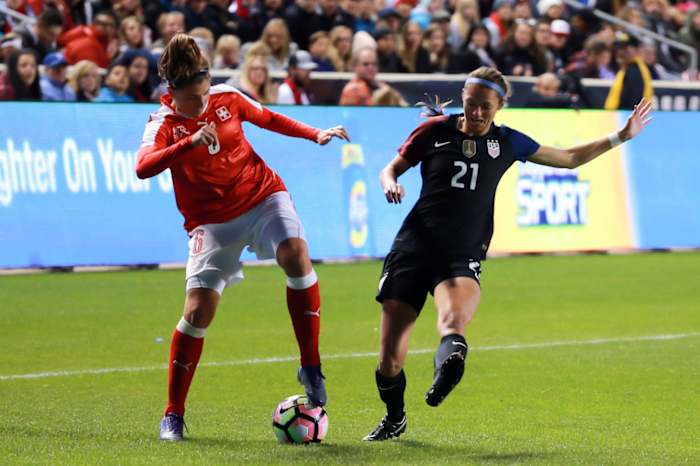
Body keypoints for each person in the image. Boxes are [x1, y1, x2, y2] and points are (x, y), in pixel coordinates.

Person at [363, 66, 652, 441]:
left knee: (452, 324)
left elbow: (567, 158)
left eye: (485, 106)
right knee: (389, 360)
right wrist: (390, 185)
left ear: (500, 106)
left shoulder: (508, 142)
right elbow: (391, 169)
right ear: (463, 100)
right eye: (470, 104)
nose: (477, 113)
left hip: (461, 253)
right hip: (413, 248)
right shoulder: (433, 132)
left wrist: (620, 136)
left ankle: (447, 371)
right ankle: (395, 417)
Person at [135, 34, 349, 441]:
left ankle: (311, 365)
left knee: (296, 254)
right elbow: (143, 167)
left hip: (261, 195)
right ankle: (173, 414)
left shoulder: (226, 98)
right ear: (172, 91)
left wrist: (314, 133)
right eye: (192, 99)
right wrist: (188, 142)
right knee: (198, 313)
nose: (202, 105)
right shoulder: (162, 124)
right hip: (211, 223)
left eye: (204, 93)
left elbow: (267, 117)